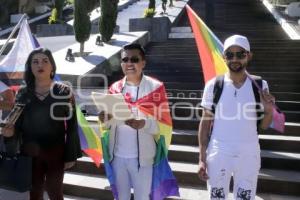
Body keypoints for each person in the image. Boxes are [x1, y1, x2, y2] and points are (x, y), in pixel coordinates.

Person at [198, 35, 274, 200]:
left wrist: (269, 111)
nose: (235, 59)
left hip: (249, 153)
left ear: (249, 55)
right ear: (224, 57)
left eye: (240, 54)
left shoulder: (260, 86)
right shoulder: (213, 85)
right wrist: (201, 158)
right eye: (230, 54)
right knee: (217, 197)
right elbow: (205, 123)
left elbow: (264, 127)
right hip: (219, 152)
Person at [2, 48, 82, 200]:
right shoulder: (23, 92)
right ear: (30, 67)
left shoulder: (64, 91)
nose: (40, 65)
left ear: (52, 66)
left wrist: (70, 155)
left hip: (56, 152)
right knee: (35, 194)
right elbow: (16, 124)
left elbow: (72, 126)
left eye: (45, 61)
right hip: (30, 153)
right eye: (35, 62)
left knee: (55, 193)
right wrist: (9, 134)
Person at [99, 44, 169, 200]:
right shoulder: (114, 88)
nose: (129, 63)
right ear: (121, 63)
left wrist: (143, 124)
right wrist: (104, 119)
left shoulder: (156, 88)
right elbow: (108, 125)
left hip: (143, 159)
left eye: (134, 59)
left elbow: (163, 125)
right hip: (117, 157)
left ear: (143, 63)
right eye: (125, 59)